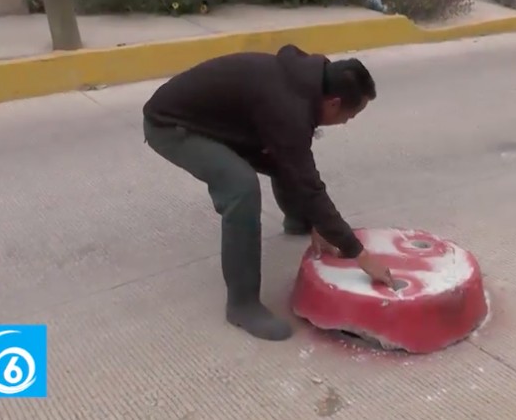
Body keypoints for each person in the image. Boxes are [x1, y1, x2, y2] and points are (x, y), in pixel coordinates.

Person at [141, 44, 393, 341]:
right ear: (334, 103)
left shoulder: (304, 84)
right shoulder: (289, 107)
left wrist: (319, 223)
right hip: (172, 126)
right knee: (241, 187)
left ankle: (298, 220)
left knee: (284, 157)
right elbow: (307, 181)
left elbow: (294, 165)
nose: (345, 123)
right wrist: (358, 254)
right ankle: (242, 304)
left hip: (218, 123)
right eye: (349, 116)